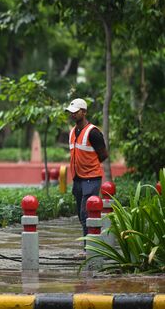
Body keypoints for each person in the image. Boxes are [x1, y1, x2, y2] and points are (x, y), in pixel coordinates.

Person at [65, 98, 108, 254]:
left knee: (86, 214)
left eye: (75, 112)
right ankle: (89, 246)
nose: (72, 115)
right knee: (80, 214)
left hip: (91, 178)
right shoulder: (72, 132)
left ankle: (89, 250)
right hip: (78, 180)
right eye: (71, 112)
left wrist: (90, 165)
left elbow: (103, 155)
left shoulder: (94, 133)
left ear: (84, 112)